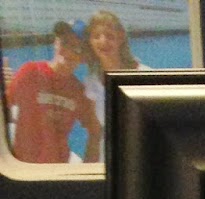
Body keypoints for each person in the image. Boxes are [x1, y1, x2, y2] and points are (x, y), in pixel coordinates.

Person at [5, 21, 101, 165]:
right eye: (65, 43)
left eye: (77, 48)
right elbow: (5, 107)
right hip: (24, 169)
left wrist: (87, 171)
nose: (68, 51)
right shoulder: (30, 72)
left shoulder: (78, 91)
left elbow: (95, 132)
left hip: (57, 170)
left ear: (84, 57)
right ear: (55, 43)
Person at [81, 11, 141, 160]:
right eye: (96, 36)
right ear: (90, 42)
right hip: (108, 160)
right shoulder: (91, 83)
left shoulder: (142, 75)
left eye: (109, 35)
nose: (103, 41)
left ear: (120, 37)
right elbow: (94, 134)